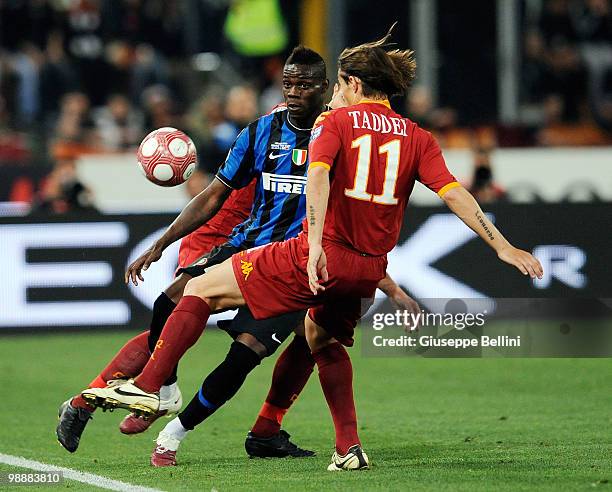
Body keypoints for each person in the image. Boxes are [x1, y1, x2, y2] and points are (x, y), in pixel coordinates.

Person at [83, 28, 544, 471]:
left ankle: (149, 388)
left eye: (339, 84)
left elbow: (317, 179)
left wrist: (316, 244)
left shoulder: (335, 122)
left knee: (199, 287)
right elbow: (454, 193)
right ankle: (346, 447)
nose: (334, 94)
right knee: (322, 342)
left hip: (317, 255)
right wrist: (502, 246)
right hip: (367, 271)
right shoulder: (416, 136)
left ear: (352, 83)